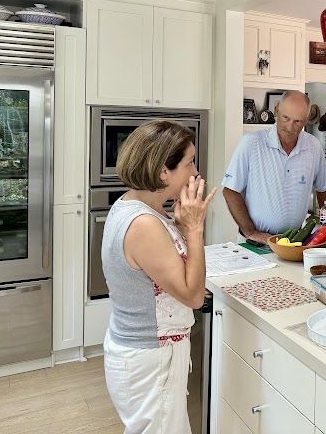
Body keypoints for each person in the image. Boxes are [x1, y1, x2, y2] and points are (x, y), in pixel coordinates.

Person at [102, 120, 216, 433]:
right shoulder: (143, 224)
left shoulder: (137, 205)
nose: (195, 172)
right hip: (151, 359)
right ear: (164, 171)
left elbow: (163, 267)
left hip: (147, 354)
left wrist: (180, 225)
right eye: (189, 163)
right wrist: (194, 227)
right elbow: (192, 296)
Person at [222, 90, 326, 243]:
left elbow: (323, 189)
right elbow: (230, 190)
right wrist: (251, 232)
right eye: (286, 118)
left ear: (306, 120)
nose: (290, 127)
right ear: (277, 110)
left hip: (293, 241)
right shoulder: (251, 143)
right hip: (255, 241)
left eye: (297, 121)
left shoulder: (313, 146)